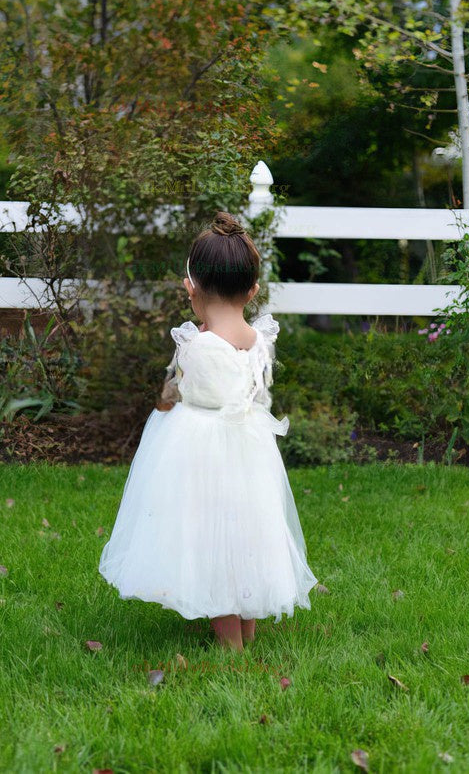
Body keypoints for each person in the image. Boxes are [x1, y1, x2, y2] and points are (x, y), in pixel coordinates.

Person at [98, 210, 318, 651]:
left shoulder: (194, 345)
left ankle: (231, 648)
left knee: (211, 539)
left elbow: (170, 396)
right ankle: (248, 630)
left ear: (190, 288)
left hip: (201, 451)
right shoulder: (260, 340)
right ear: (253, 290)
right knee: (248, 534)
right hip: (250, 451)